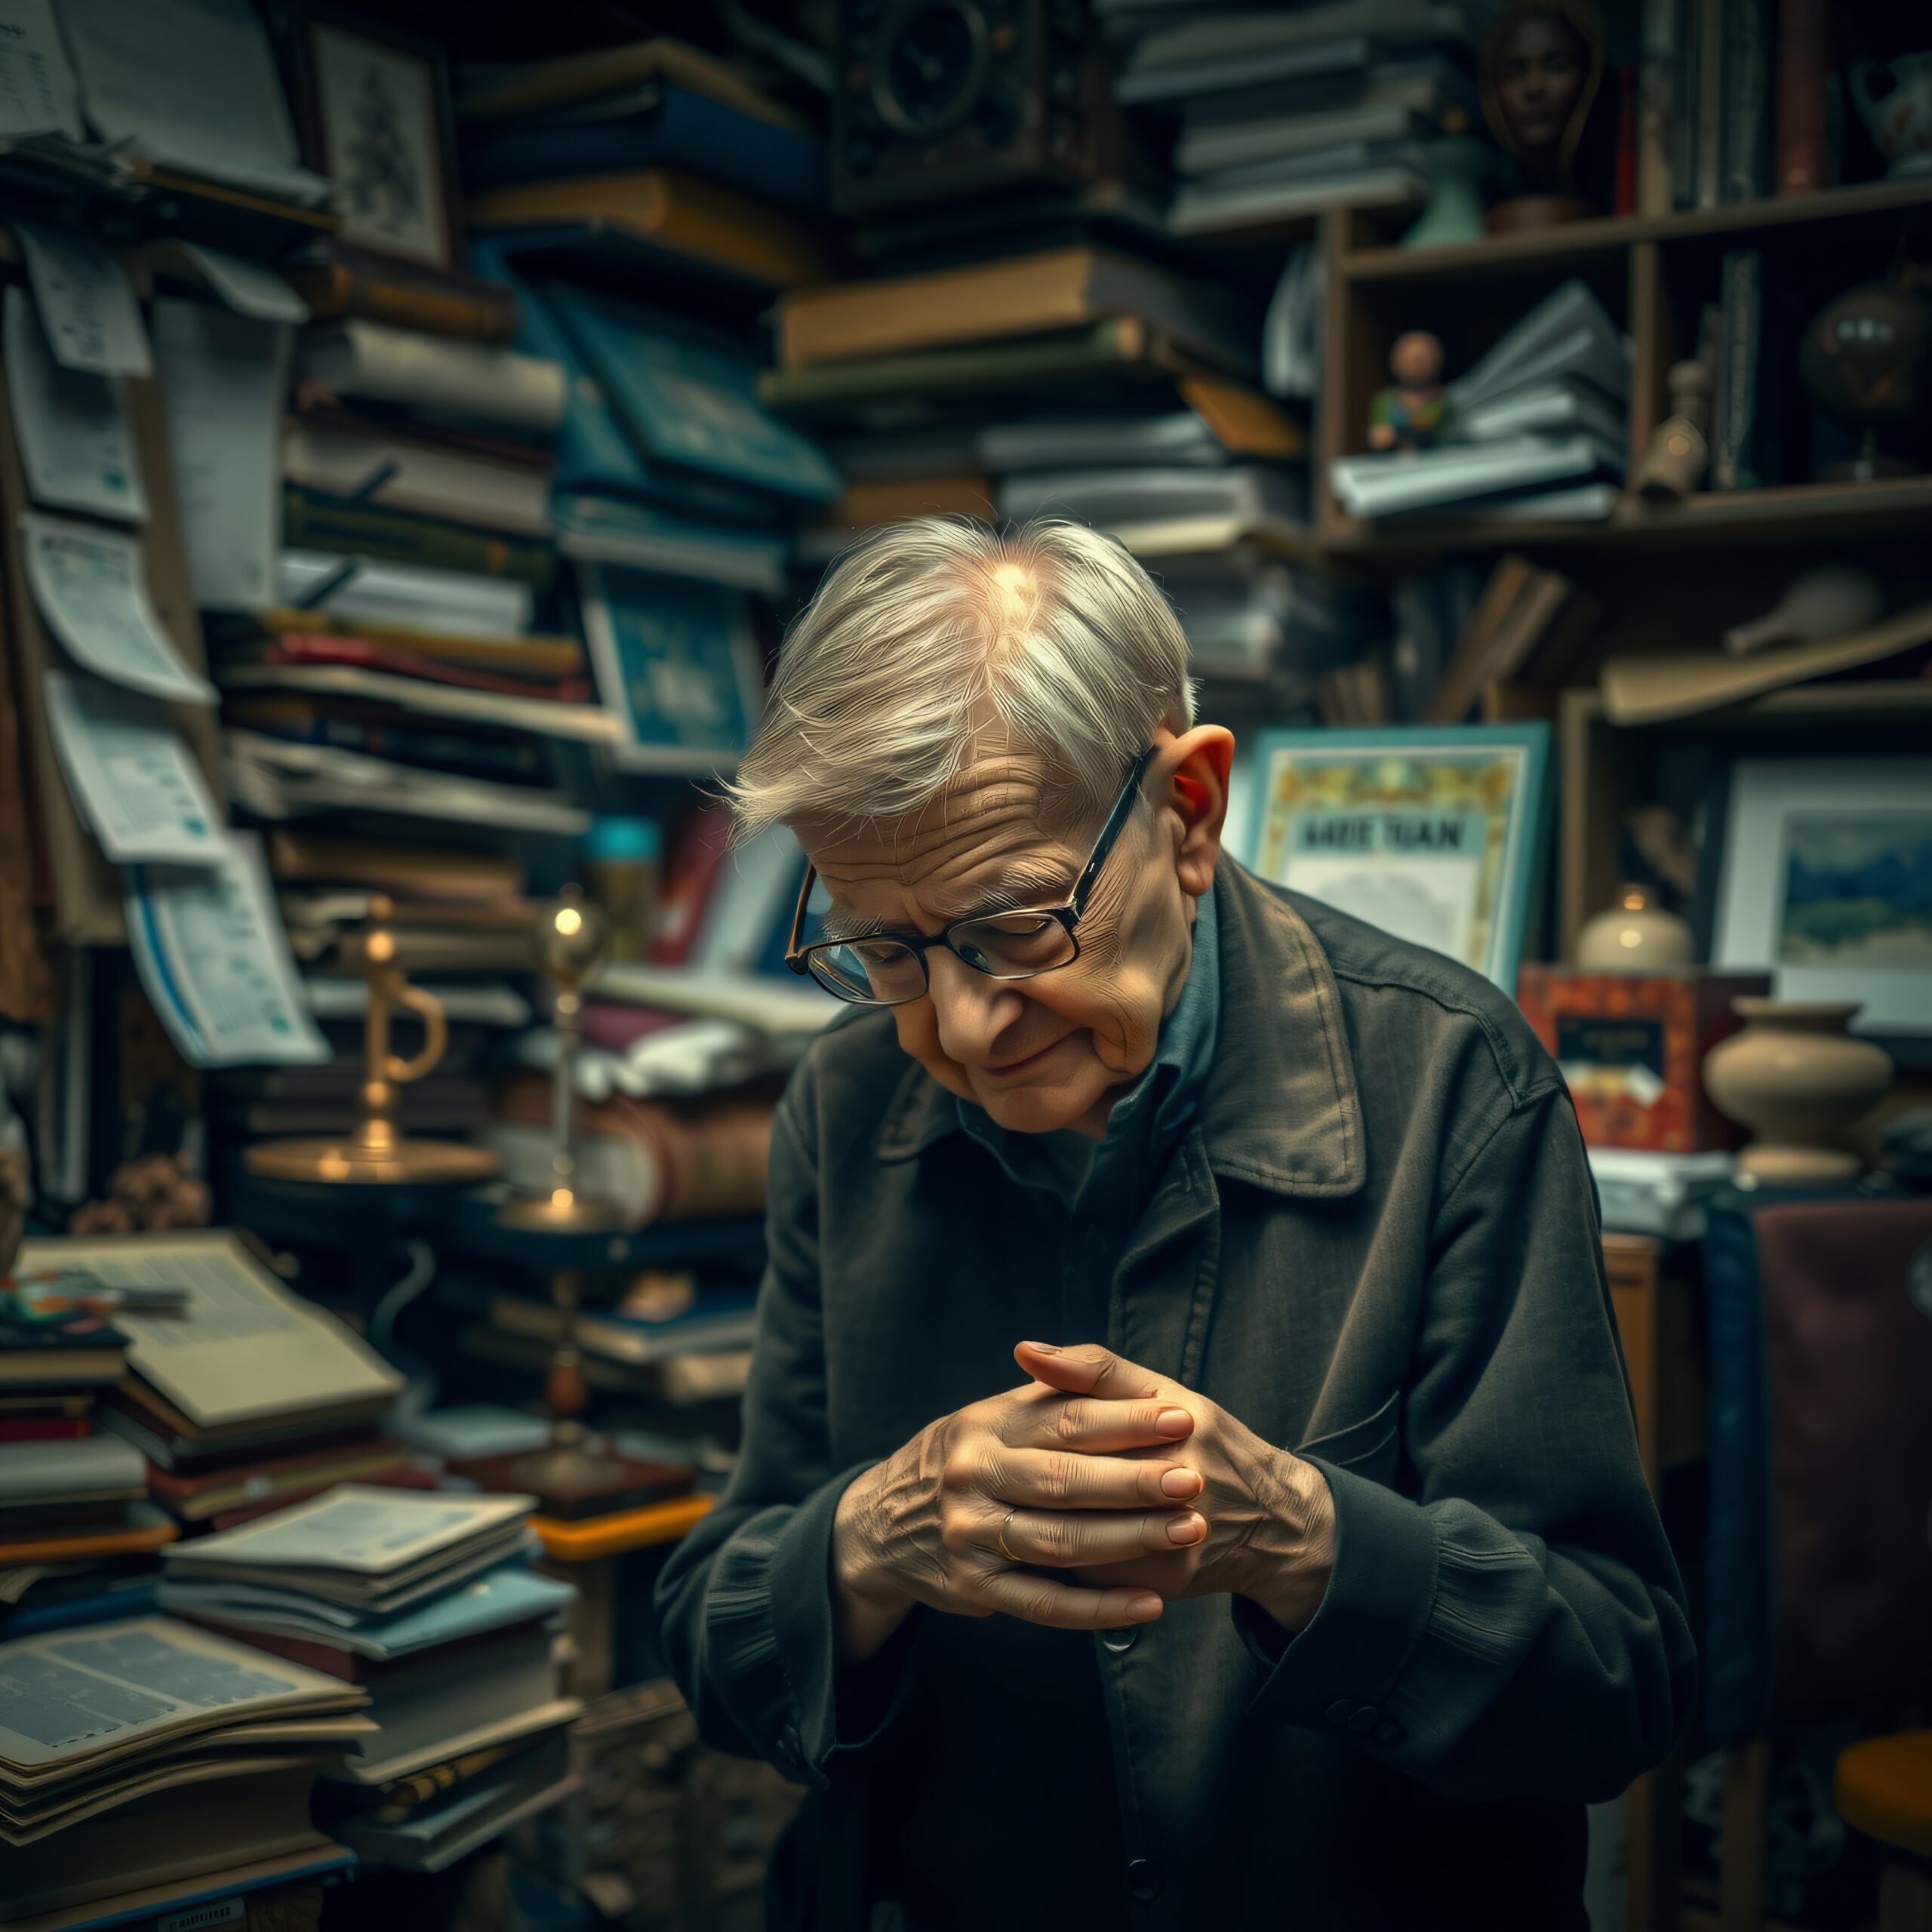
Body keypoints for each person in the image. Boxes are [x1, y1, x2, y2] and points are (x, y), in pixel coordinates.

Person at [655, 518, 1695, 1930]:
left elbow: (1615, 1689)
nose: (958, 1026)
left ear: (1189, 816)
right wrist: (868, 1542)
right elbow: (719, 1643)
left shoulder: (1455, 1088)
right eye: (880, 948)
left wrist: (1302, 1539)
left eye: (1018, 924)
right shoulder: (844, 1108)